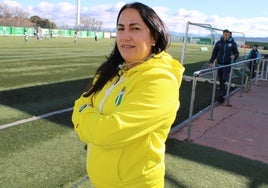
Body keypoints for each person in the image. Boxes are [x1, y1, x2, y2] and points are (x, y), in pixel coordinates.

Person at [72, 2, 184, 187]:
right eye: (121, 28)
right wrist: (86, 113)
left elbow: (106, 133)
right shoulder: (111, 71)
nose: (125, 36)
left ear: (154, 36)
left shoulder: (160, 82)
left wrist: (83, 114)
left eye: (135, 28)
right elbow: (82, 101)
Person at [209, 29, 239, 104]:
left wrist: (234, 55)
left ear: (230, 35)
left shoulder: (233, 43)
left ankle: (222, 96)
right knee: (221, 80)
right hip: (219, 65)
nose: (226, 36)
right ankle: (223, 89)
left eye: (227, 34)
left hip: (227, 65)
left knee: (224, 79)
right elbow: (214, 53)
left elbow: (237, 53)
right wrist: (211, 61)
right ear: (223, 35)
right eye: (225, 34)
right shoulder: (219, 43)